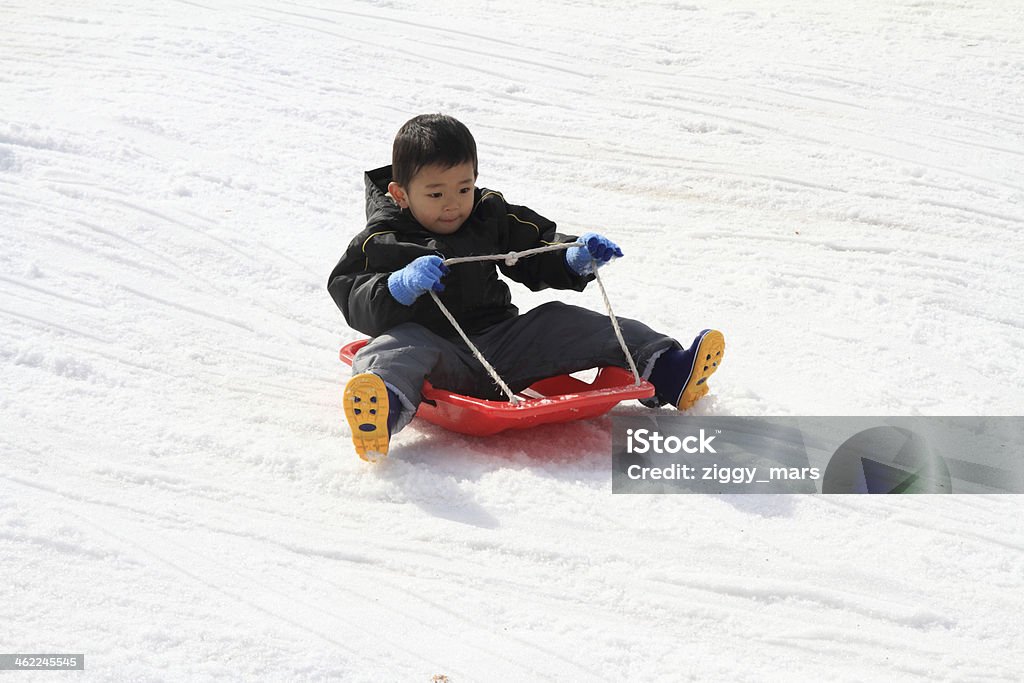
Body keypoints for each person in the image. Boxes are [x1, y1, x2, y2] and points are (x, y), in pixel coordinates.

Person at [328, 114, 724, 460]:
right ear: (400, 194)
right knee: (393, 347)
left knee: (563, 319)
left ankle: (670, 370)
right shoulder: (382, 239)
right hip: (439, 353)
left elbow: (533, 247)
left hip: (503, 344)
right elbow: (350, 290)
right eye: (436, 194)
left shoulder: (487, 214)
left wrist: (572, 258)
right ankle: (382, 409)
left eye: (463, 189)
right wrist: (397, 286)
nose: (453, 204)